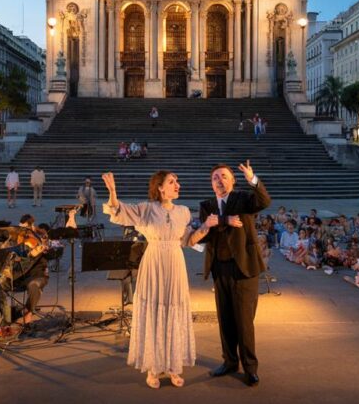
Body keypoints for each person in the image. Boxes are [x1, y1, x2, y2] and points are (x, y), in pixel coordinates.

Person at [102, 170, 195, 389]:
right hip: (154, 263)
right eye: (172, 182)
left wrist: (208, 227)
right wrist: (113, 192)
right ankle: (154, 367)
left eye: (177, 181)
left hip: (175, 263)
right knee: (154, 310)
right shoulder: (146, 209)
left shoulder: (184, 212)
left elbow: (188, 239)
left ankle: (173, 366)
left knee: (174, 309)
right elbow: (119, 211)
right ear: (160, 187)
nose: (177, 185)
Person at [188, 161, 271, 387]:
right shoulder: (207, 206)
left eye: (224, 176)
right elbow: (208, 234)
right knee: (225, 319)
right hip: (219, 267)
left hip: (244, 267)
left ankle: (250, 368)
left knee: (244, 321)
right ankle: (230, 362)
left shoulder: (243, 199)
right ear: (211, 183)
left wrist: (253, 179)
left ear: (232, 180)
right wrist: (216, 223)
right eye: (215, 177)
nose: (219, 181)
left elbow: (264, 201)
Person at [0, 222, 50, 327]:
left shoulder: (39, 243)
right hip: (18, 277)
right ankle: (6, 317)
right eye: (21, 229)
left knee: (33, 285)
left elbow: (55, 250)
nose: (23, 233)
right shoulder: (15, 242)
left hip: (36, 276)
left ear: (32, 228)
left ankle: (27, 311)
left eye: (26, 229)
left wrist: (45, 247)